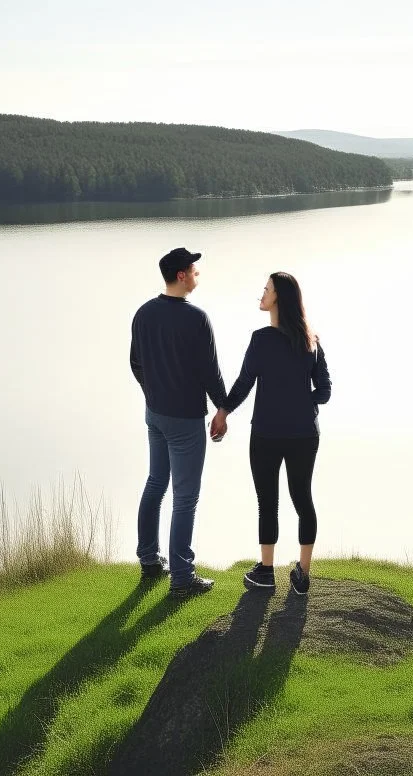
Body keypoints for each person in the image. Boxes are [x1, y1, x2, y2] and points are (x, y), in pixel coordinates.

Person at [222, 272, 331, 595]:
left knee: (267, 502)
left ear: (278, 298)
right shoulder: (311, 340)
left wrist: (223, 411)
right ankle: (303, 575)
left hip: (267, 434)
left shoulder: (261, 340)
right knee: (303, 499)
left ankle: (266, 571)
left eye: (266, 289)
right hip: (304, 434)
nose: (262, 294)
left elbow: (244, 383)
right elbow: (324, 391)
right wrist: (302, 401)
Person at [130, 247, 228, 597]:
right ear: (182, 275)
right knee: (185, 498)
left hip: (155, 414)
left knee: (156, 483)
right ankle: (182, 579)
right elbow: (210, 371)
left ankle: (149, 560)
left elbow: (136, 363)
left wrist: (154, 393)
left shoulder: (143, 313)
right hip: (185, 419)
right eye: (194, 270)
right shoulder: (196, 318)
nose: (197, 274)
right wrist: (223, 408)